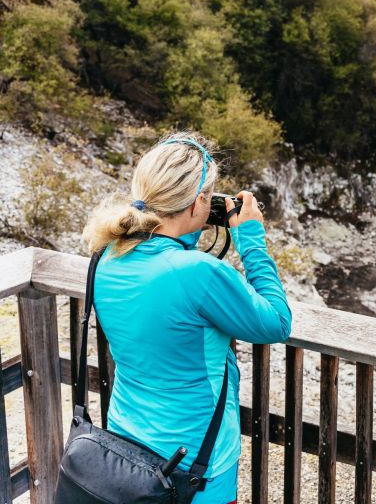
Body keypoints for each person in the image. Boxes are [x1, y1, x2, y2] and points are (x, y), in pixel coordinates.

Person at [81, 132, 293, 504]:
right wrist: (251, 238)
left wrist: (187, 229)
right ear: (198, 202)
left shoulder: (106, 254)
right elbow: (277, 322)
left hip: (124, 444)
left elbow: (166, 279)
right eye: (208, 198)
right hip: (194, 464)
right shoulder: (197, 273)